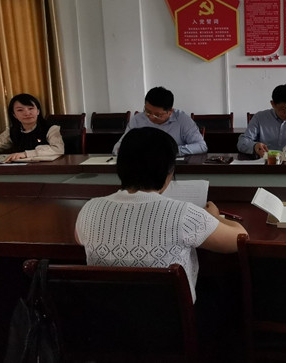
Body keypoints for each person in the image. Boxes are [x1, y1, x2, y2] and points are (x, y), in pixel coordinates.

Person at [76, 127, 247, 301]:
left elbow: (80, 239)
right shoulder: (184, 214)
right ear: (168, 172)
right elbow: (240, 239)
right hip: (168, 316)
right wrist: (214, 216)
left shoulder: (89, 209)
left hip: (104, 315)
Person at [112, 86, 207, 156]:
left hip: (172, 167)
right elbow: (118, 146)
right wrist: (122, 150)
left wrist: (173, 150)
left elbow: (201, 146)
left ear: (170, 111)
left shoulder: (182, 120)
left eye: (157, 115)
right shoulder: (137, 120)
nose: (151, 117)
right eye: (147, 111)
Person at [0, 93, 64, 162]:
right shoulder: (12, 131)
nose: (27, 113)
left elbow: (57, 149)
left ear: (38, 111)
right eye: (20, 110)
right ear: (14, 115)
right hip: (19, 168)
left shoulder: (51, 129)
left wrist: (26, 154)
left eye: (30, 108)